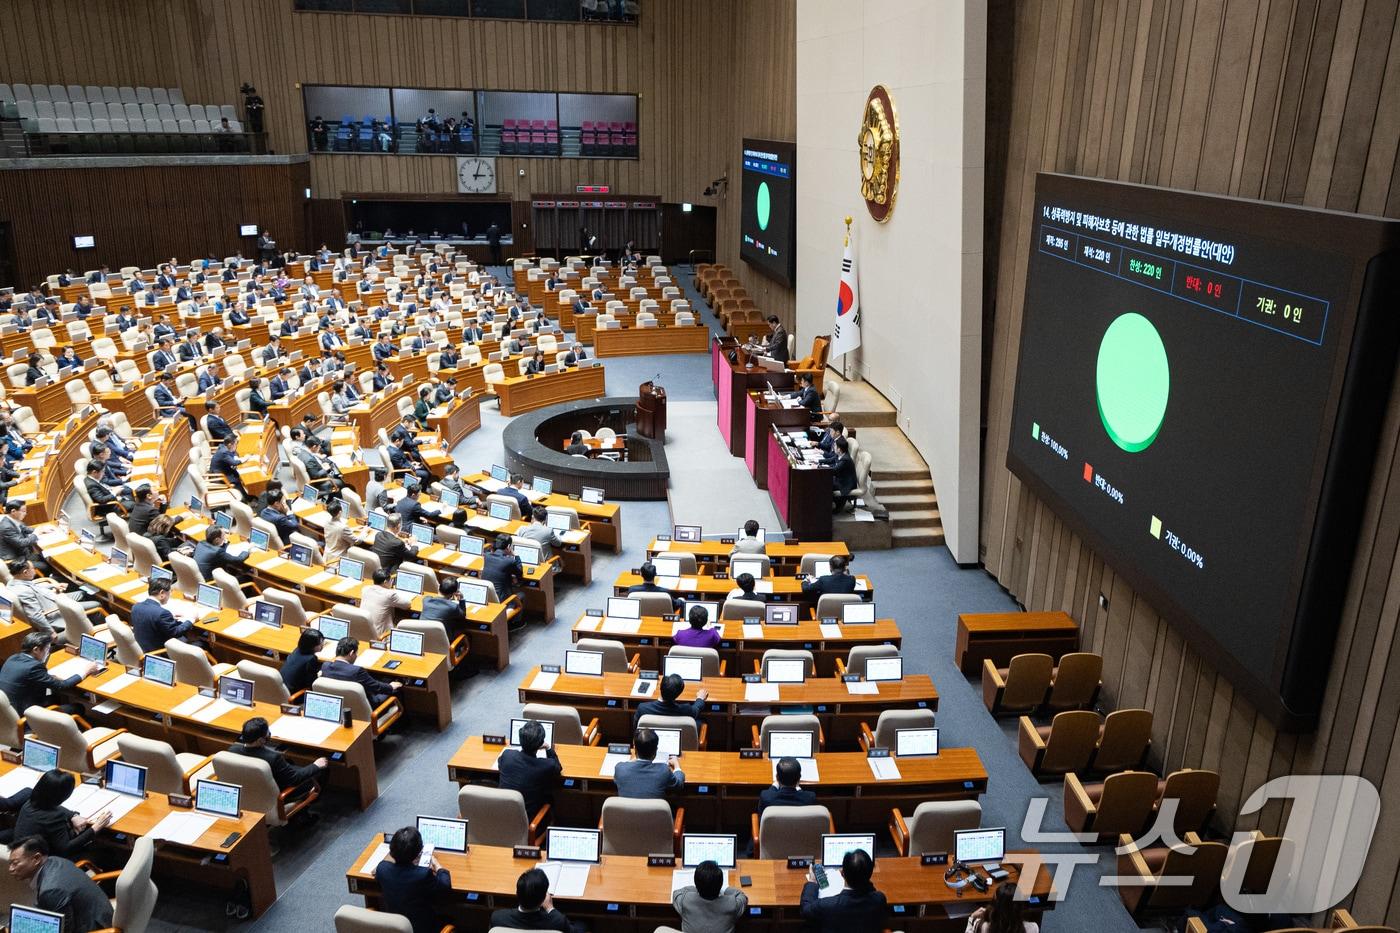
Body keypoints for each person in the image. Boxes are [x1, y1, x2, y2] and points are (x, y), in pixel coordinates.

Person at [6, 836, 115, 932]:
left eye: (15, 863)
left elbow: (64, 929)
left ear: (36, 859)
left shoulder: (51, 890)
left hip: (96, 927)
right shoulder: (54, 860)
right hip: (98, 912)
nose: (11, 869)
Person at [13, 770, 112, 859]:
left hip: (27, 855)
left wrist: (73, 815)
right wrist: (96, 827)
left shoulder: (30, 802)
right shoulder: (53, 817)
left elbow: (54, 809)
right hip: (48, 862)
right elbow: (66, 849)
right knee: (103, 853)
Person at [375, 826, 453, 933]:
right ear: (418, 851)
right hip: (422, 928)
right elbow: (445, 886)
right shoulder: (423, 874)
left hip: (393, 926)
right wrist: (437, 865)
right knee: (450, 918)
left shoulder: (382, 868)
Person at [229, 716, 327, 799]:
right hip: (277, 793)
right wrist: (316, 765)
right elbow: (295, 779)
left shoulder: (232, 750)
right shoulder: (273, 758)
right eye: (267, 733)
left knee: (290, 762)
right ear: (260, 740)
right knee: (320, 772)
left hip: (248, 791)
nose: (269, 734)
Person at [0, 632, 98, 715]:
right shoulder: (33, 667)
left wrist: (49, 677)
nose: (48, 653)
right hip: (25, 713)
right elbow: (62, 686)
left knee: (56, 697)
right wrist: (86, 670)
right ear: (36, 650)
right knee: (78, 707)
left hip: (10, 709)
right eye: (47, 649)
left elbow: (26, 676)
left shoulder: (13, 658)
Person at [497, 719, 562, 817]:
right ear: (540, 743)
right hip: (530, 822)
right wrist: (549, 748)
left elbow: (500, 764)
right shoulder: (546, 765)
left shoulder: (507, 755)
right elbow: (558, 768)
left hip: (503, 816)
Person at [671, 859, 748, 933]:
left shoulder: (685, 900)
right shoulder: (732, 904)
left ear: (696, 883)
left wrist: (697, 887)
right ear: (720, 884)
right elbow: (742, 896)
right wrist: (724, 889)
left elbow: (676, 893)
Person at [321, 636, 401, 706]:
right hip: (369, 705)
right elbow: (376, 687)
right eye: (356, 653)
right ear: (351, 653)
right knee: (397, 688)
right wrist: (391, 686)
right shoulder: (357, 671)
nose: (356, 656)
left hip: (340, 704)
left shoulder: (325, 666)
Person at [490, 867, 575, 931]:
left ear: (517, 894)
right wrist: (550, 908)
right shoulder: (558, 922)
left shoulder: (497, 918)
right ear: (544, 899)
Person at [614, 727, 684, 799]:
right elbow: (679, 785)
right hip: (656, 810)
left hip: (627, 810)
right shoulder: (663, 770)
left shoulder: (620, 769)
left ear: (635, 749)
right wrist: (676, 766)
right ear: (656, 751)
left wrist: (635, 759)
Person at [9, 559, 66, 642]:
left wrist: (53, 585)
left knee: (80, 593)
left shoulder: (13, 582)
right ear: (25, 572)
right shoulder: (24, 592)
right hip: (55, 610)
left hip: (49, 597)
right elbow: (35, 615)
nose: (35, 570)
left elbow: (33, 586)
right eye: (33, 568)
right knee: (91, 602)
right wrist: (51, 632)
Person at [633, 672, 707, 729]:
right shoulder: (685, 710)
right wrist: (700, 698)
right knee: (701, 721)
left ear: (660, 687)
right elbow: (696, 709)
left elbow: (636, 728)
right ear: (679, 693)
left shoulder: (642, 708)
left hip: (649, 742)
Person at [359, 568, 413, 639]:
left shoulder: (365, 589)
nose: (392, 582)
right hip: (381, 635)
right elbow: (407, 605)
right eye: (391, 580)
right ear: (385, 582)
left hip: (364, 631)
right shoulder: (389, 594)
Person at [420, 575, 469, 641]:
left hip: (424, 639)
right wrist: (462, 599)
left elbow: (430, 597)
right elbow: (463, 615)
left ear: (439, 587)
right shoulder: (453, 607)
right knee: (466, 631)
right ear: (454, 594)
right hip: (443, 641)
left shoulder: (426, 601)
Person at [281, 627, 325, 697]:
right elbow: (312, 684)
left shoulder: (297, 650)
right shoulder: (311, 659)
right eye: (320, 643)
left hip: (285, 688)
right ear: (312, 645)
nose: (322, 645)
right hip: (295, 694)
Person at [481, 534, 522, 600]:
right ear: (508, 546)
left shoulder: (487, 556)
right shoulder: (510, 561)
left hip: (485, 597)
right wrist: (516, 556)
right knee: (522, 594)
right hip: (501, 600)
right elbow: (520, 573)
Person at [0, 499, 41, 564]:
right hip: (15, 560)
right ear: (13, 511)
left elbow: (24, 528)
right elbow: (21, 543)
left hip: (21, 553)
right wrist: (35, 534)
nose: (26, 513)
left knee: (43, 556)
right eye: (23, 511)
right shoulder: (6, 527)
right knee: (45, 566)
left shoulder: (11, 519)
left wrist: (40, 530)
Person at [210, 434, 249, 499]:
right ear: (230, 444)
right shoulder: (224, 452)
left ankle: (246, 494)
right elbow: (234, 463)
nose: (236, 446)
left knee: (236, 473)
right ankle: (245, 499)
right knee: (236, 480)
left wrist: (235, 456)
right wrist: (246, 458)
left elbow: (234, 452)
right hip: (219, 475)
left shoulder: (223, 446)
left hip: (223, 468)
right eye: (236, 444)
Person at [321, 499, 356, 567]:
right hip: (338, 559)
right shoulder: (342, 527)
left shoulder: (327, 522)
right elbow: (356, 541)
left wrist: (351, 530)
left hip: (327, 555)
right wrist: (365, 533)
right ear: (340, 512)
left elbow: (337, 532)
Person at [830, 436, 857, 513]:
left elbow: (834, 471)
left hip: (847, 483)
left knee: (827, 484)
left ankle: (839, 503)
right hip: (842, 478)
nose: (834, 447)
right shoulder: (841, 455)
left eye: (835, 446)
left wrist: (820, 468)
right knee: (827, 481)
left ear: (839, 449)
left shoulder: (845, 459)